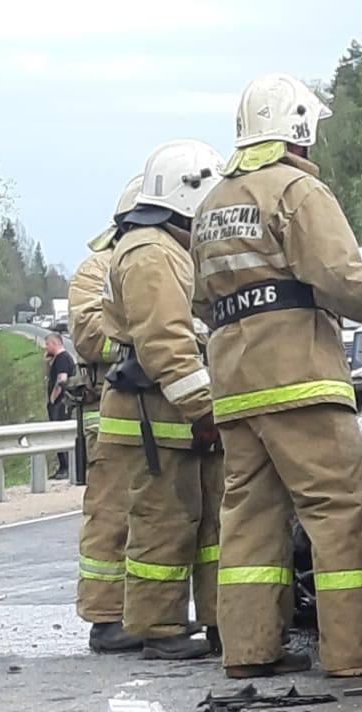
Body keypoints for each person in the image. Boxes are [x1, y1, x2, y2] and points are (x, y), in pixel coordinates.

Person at [192, 73, 362, 679]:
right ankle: (354, 651)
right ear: (296, 128)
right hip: (299, 378)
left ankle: (247, 650)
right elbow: (341, 277)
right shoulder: (297, 192)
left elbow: (200, 298)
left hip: (235, 386)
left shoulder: (213, 204)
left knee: (248, 517)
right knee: (340, 506)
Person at [99, 140, 224, 660]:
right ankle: (160, 628)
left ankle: (219, 619)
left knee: (199, 520)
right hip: (159, 413)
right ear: (189, 194)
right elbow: (167, 345)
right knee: (163, 521)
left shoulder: (162, 247)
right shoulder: (152, 253)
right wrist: (207, 410)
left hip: (164, 412)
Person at [68, 176, 142, 652]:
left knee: (162, 518)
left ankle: (153, 613)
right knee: (111, 515)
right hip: (109, 414)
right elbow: (92, 335)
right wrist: (147, 337)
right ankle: (105, 617)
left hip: (160, 410)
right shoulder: (98, 269)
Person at [44, 334, 76, 480]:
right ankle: (64, 467)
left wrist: (52, 398)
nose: (46, 348)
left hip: (60, 403)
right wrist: (47, 363)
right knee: (59, 435)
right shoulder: (60, 359)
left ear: (54, 343)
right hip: (62, 403)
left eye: (47, 345)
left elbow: (62, 379)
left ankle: (65, 468)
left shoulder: (62, 358)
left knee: (59, 435)